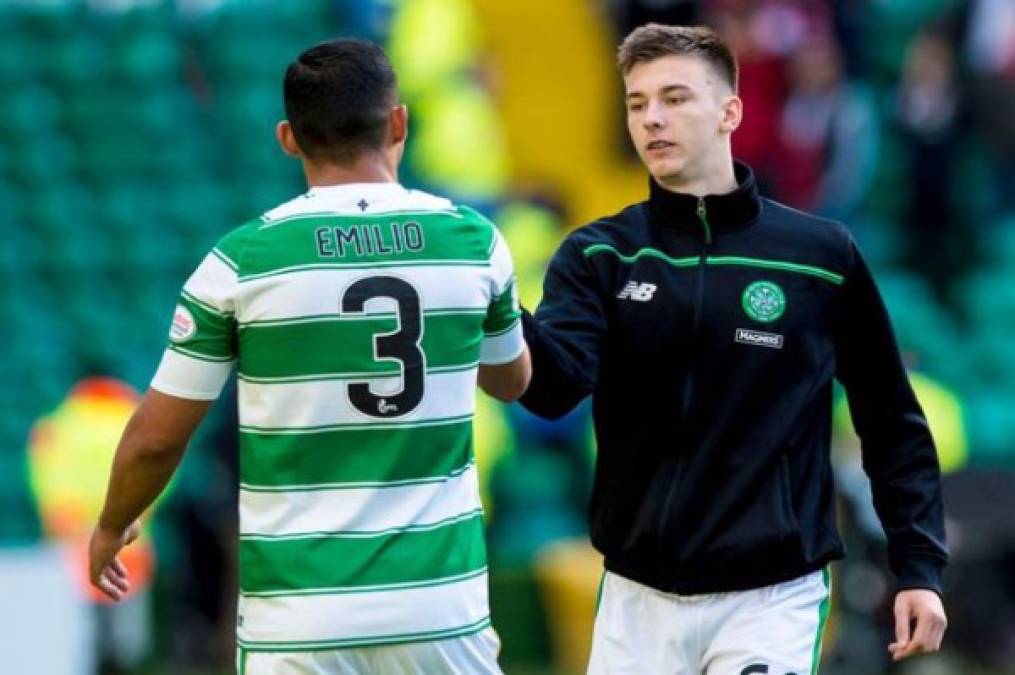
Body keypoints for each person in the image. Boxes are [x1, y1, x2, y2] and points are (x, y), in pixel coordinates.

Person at [88, 38, 529, 675]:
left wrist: (112, 525)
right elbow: (512, 382)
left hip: (298, 619)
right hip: (440, 609)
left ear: (289, 138)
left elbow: (157, 438)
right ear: (399, 120)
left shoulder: (241, 263)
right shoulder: (475, 241)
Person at [519, 24, 947, 674]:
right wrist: (494, 302)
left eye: (674, 98)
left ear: (729, 111)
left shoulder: (819, 257)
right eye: (636, 104)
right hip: (636, 598)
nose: (652, 119)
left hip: (770, 596)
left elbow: (889, 419)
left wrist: (917, 567)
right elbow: (550, 391)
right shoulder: (597, 255)